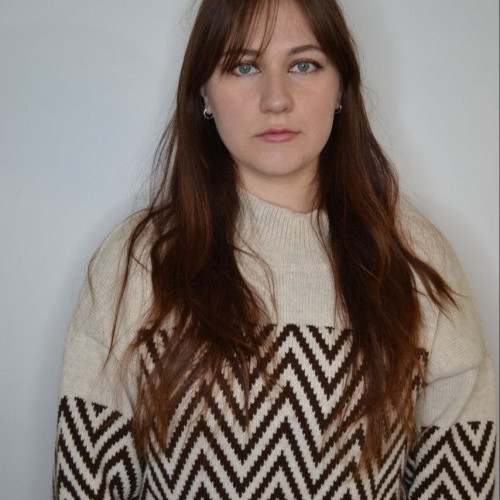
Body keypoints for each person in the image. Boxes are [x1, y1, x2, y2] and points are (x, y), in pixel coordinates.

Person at [53, 0, 497, 498]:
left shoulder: (416, 261)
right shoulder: (138, 261)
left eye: (304, 64)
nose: (276, 99)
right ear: (204, 91)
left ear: (341, 88)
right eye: (244, 67)